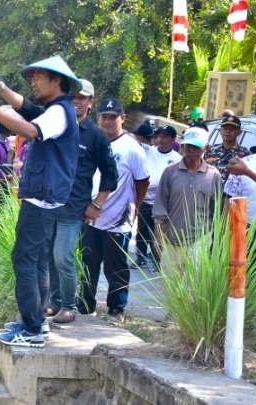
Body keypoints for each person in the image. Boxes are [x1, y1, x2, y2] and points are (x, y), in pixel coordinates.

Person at [0, 55, 82, 348]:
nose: (33, 82)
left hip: (42, 197)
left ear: (57, 81)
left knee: (24, 258)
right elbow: (27, 110)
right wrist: (1, 88)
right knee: (37, 259)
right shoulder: (56, 109)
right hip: (46, 195)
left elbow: (30, 129)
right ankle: (36, 322)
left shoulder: (58, 112)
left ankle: (31, 329)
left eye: (38, 77)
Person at [47, 79, 118, 324]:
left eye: (82, 98)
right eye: (73, 97)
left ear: (91, 103)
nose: (76, 101)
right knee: (49, 256)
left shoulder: (96, 135)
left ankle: (69, 305)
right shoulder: (56, 126)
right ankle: (55, 302)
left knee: (62, 256)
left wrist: (97, 205)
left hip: (73, 207)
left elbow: (111, 174)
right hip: (48, 204)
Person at [78, 98, 149, 320]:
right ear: (97, 117)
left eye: (113, 117)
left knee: (115, 267)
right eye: (104, 116)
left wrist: (134, 207)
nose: (108, 121)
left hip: (118, 220)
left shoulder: (132, 148)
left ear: (123, 118)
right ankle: (85, 307)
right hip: (89, 216)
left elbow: (143, 181)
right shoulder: (92, 140)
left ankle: (116, 310)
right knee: (88, 263)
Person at [153, 127, 222, 271]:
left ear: (206, 148)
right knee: (169, 287)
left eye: (196, 146)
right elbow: (160, 206)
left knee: (193, 290)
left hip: (199, 240)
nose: (191, 150)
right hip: (171, 239)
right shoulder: (170, 171)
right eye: (188, 146)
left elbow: (216, 211)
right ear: (182, 146)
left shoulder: (213, 175)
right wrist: (157, 237)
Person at [136, 125, 181, 268]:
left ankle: (158, 261)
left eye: (165, 136)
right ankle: (140, 258)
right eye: (159, 136)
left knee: (159, 234)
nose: (161, 139)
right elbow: (134, 141)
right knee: (141, 230)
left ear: (173, 139)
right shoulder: (149, 151)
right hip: (145, 199)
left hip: (164, 203)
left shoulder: (177, 159)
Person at [225, 126, 256, 249]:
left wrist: (247, 172)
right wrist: (224, 233)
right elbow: (228, 198)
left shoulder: (244, 168)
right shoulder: (245, 162)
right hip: (246, 228)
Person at [204, 115, 250, 185]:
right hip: (210, 193)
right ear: (220, 131)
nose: (228, 131)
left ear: (240, 132)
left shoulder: (245, 154)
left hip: (232, 195)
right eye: (225, 128)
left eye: (232, 129)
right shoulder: (211, 151)